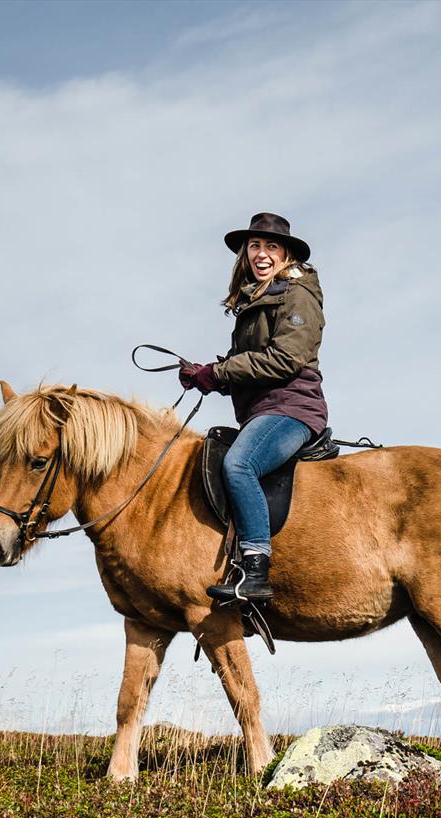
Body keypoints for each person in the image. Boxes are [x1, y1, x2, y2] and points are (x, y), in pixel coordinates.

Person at [179, 212, 328, 603]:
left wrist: (220, 371)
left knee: (239, 464)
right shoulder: (254, 301)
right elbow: (246, 368)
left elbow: (285, 359)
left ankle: (255, 570)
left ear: (286, 255)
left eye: (271, 247)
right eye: (255, 246)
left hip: (292, 409)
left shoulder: (298, 296)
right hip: (261, 410)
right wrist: (205, 377)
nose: (262, 254)